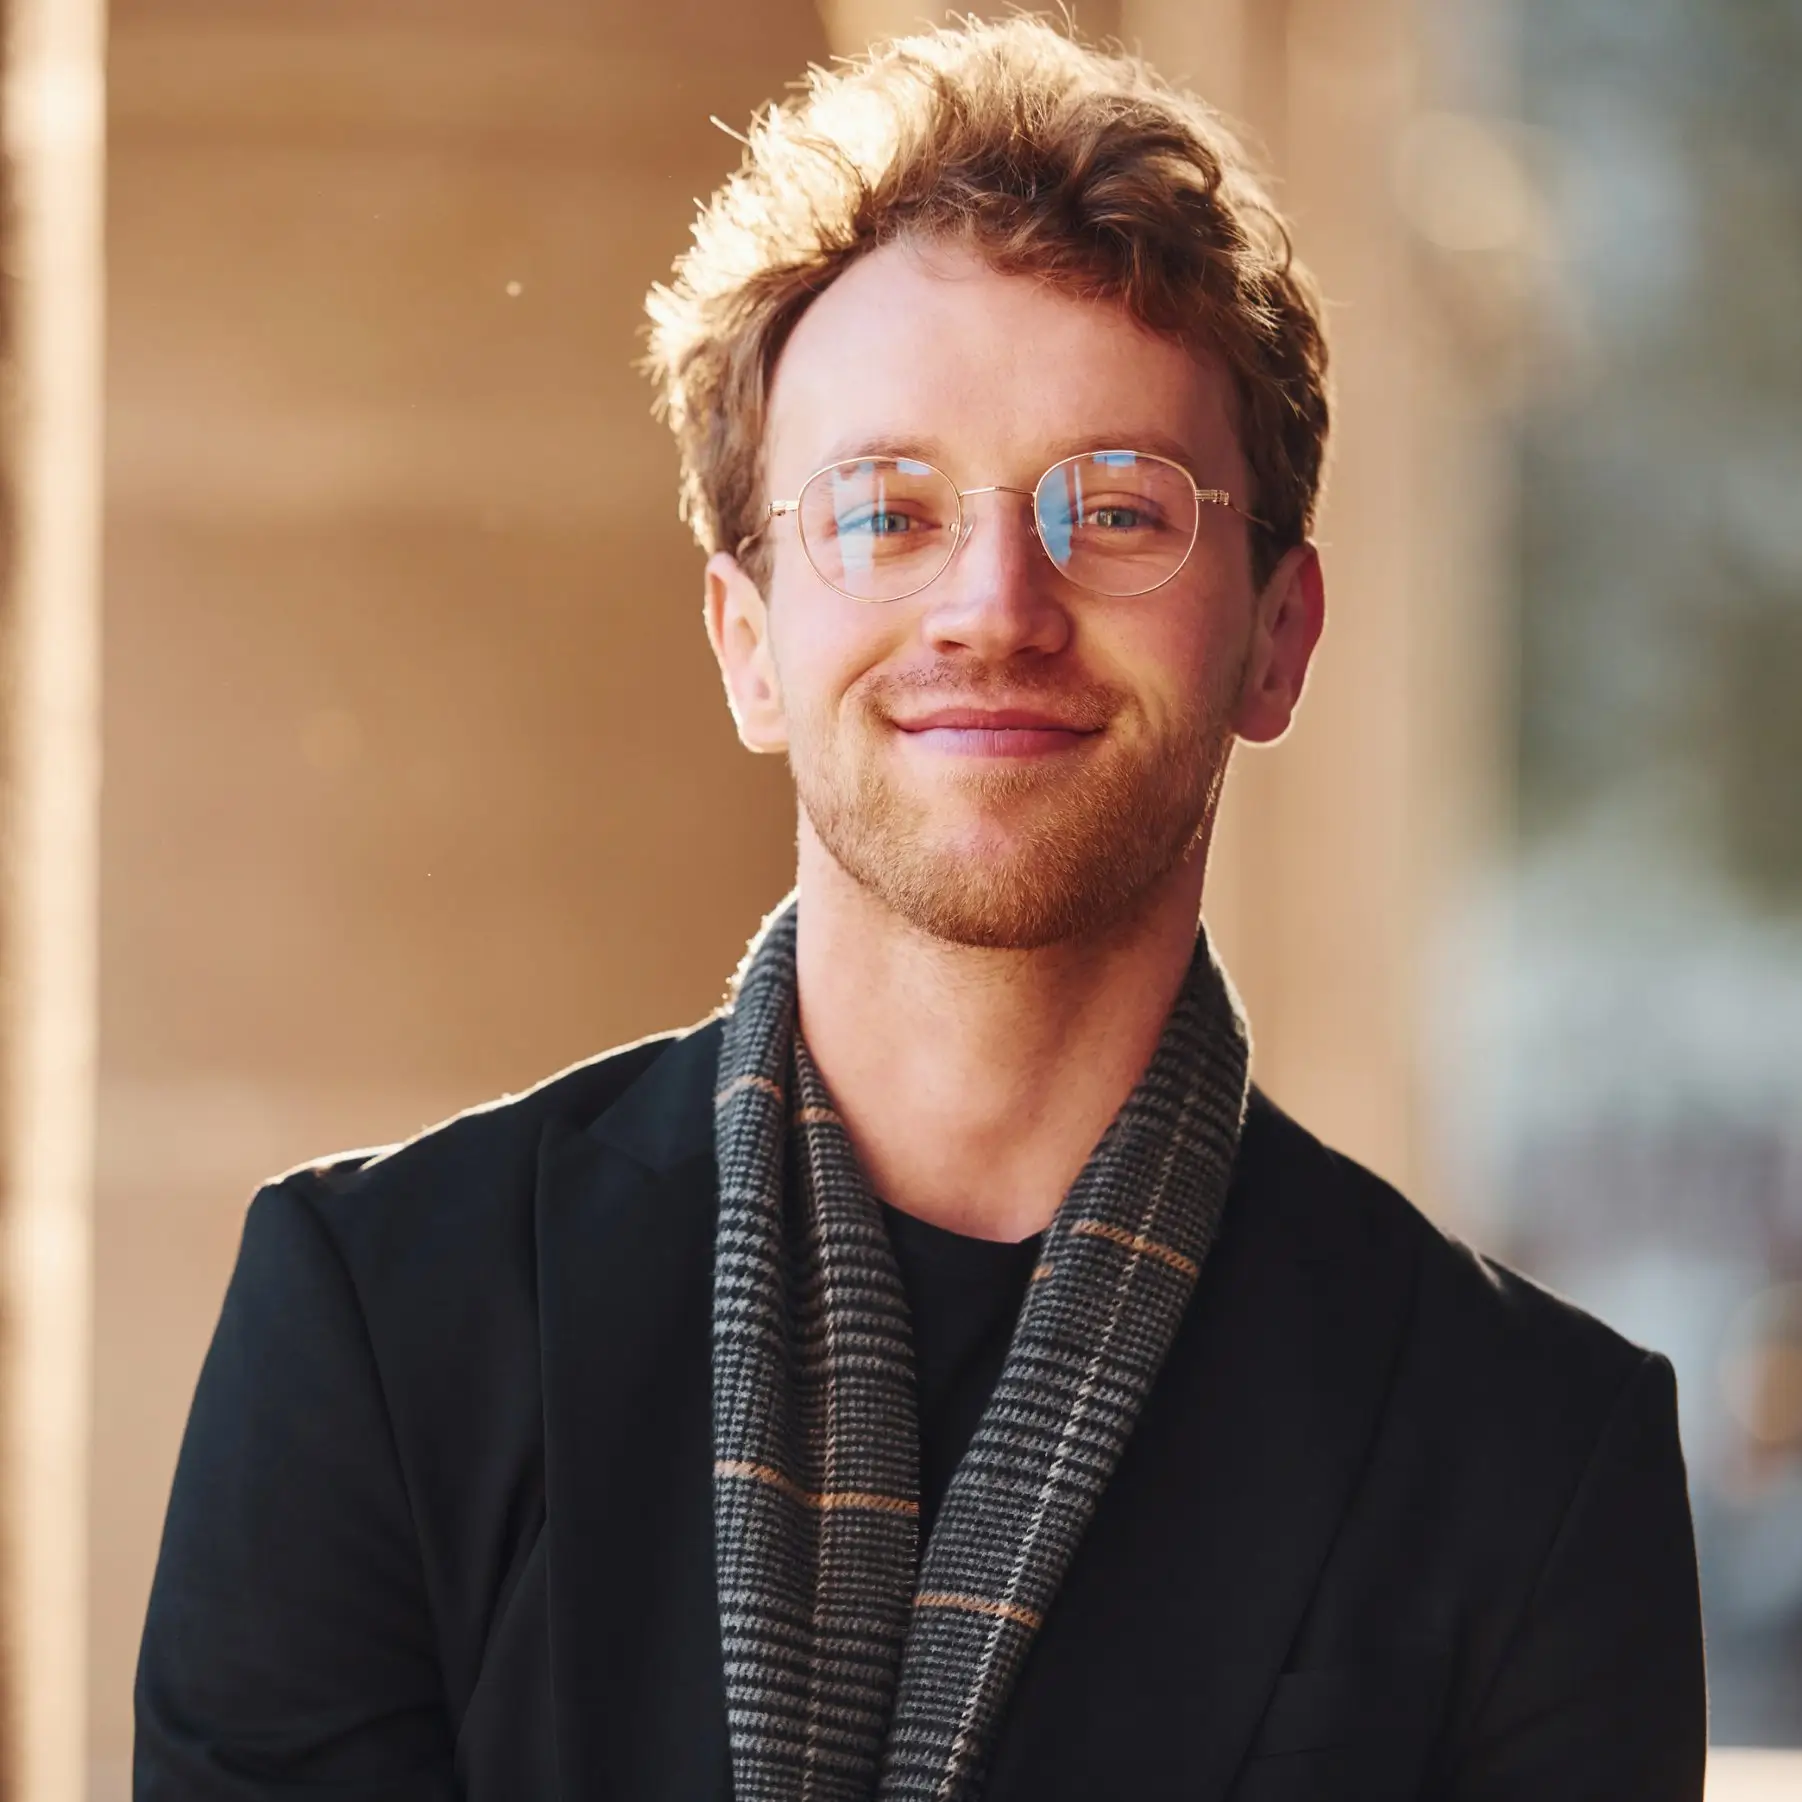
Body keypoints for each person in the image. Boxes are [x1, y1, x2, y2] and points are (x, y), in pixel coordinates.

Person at [135, 19, 1707, 1801]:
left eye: (1117, 507)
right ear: (747, 643)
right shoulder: (378, 1326)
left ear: (1277, 636)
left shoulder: (1529, 1455)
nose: (995, 604)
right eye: (886, 512)